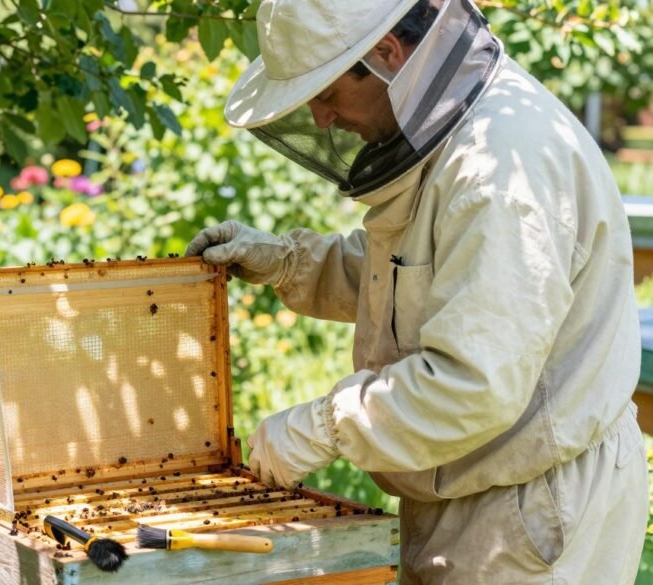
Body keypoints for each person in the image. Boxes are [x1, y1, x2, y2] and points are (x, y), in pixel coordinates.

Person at [186, 0, 648, 582]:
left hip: (531, 507)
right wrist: (289, 262)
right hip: (476, 479)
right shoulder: (460, 140)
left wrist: (326, 425)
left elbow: (473, 383)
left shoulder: (503, 172)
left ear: (385, 55)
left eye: (325, 92)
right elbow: (422, 275)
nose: (322, 118)